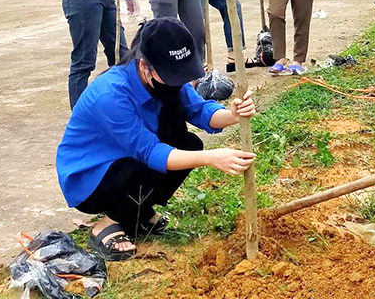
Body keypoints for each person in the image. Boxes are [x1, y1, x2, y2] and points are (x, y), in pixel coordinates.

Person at [56, 17, 257, 261]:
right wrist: (213, 158)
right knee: (164, 157)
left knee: (189, 145)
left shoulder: (166, 80)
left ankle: (137, 213)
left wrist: (232, 115)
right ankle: (107, 225)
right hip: (90, 177)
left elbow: (199, 110)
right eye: (173, 74)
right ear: (144, 66)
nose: (181, 81)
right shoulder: (110, 94)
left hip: (127, 161)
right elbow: (150, 153)